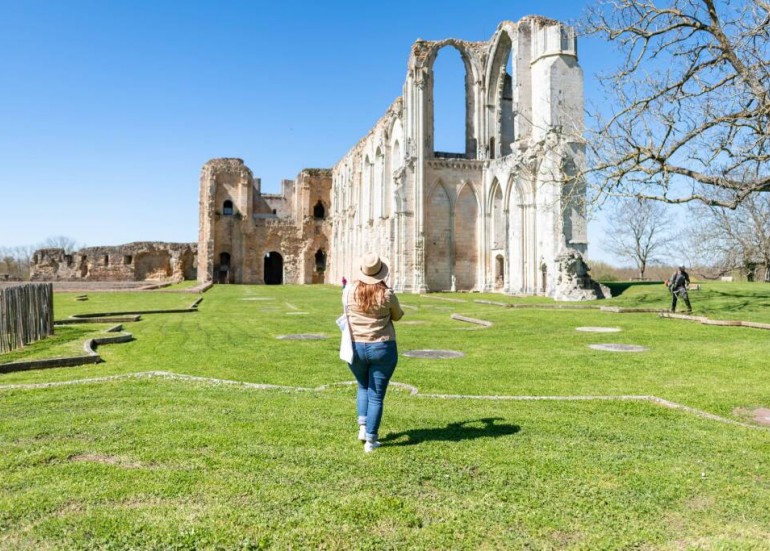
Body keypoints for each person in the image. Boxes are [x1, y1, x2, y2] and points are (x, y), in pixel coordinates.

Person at [343, 252, 404, 453]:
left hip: (356, 347)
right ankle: (371, 440)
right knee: (376, 395)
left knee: (362, 386)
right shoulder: (387, 295)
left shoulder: (349, 291)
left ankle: (363, 428)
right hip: (382, 346)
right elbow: (398, 316)